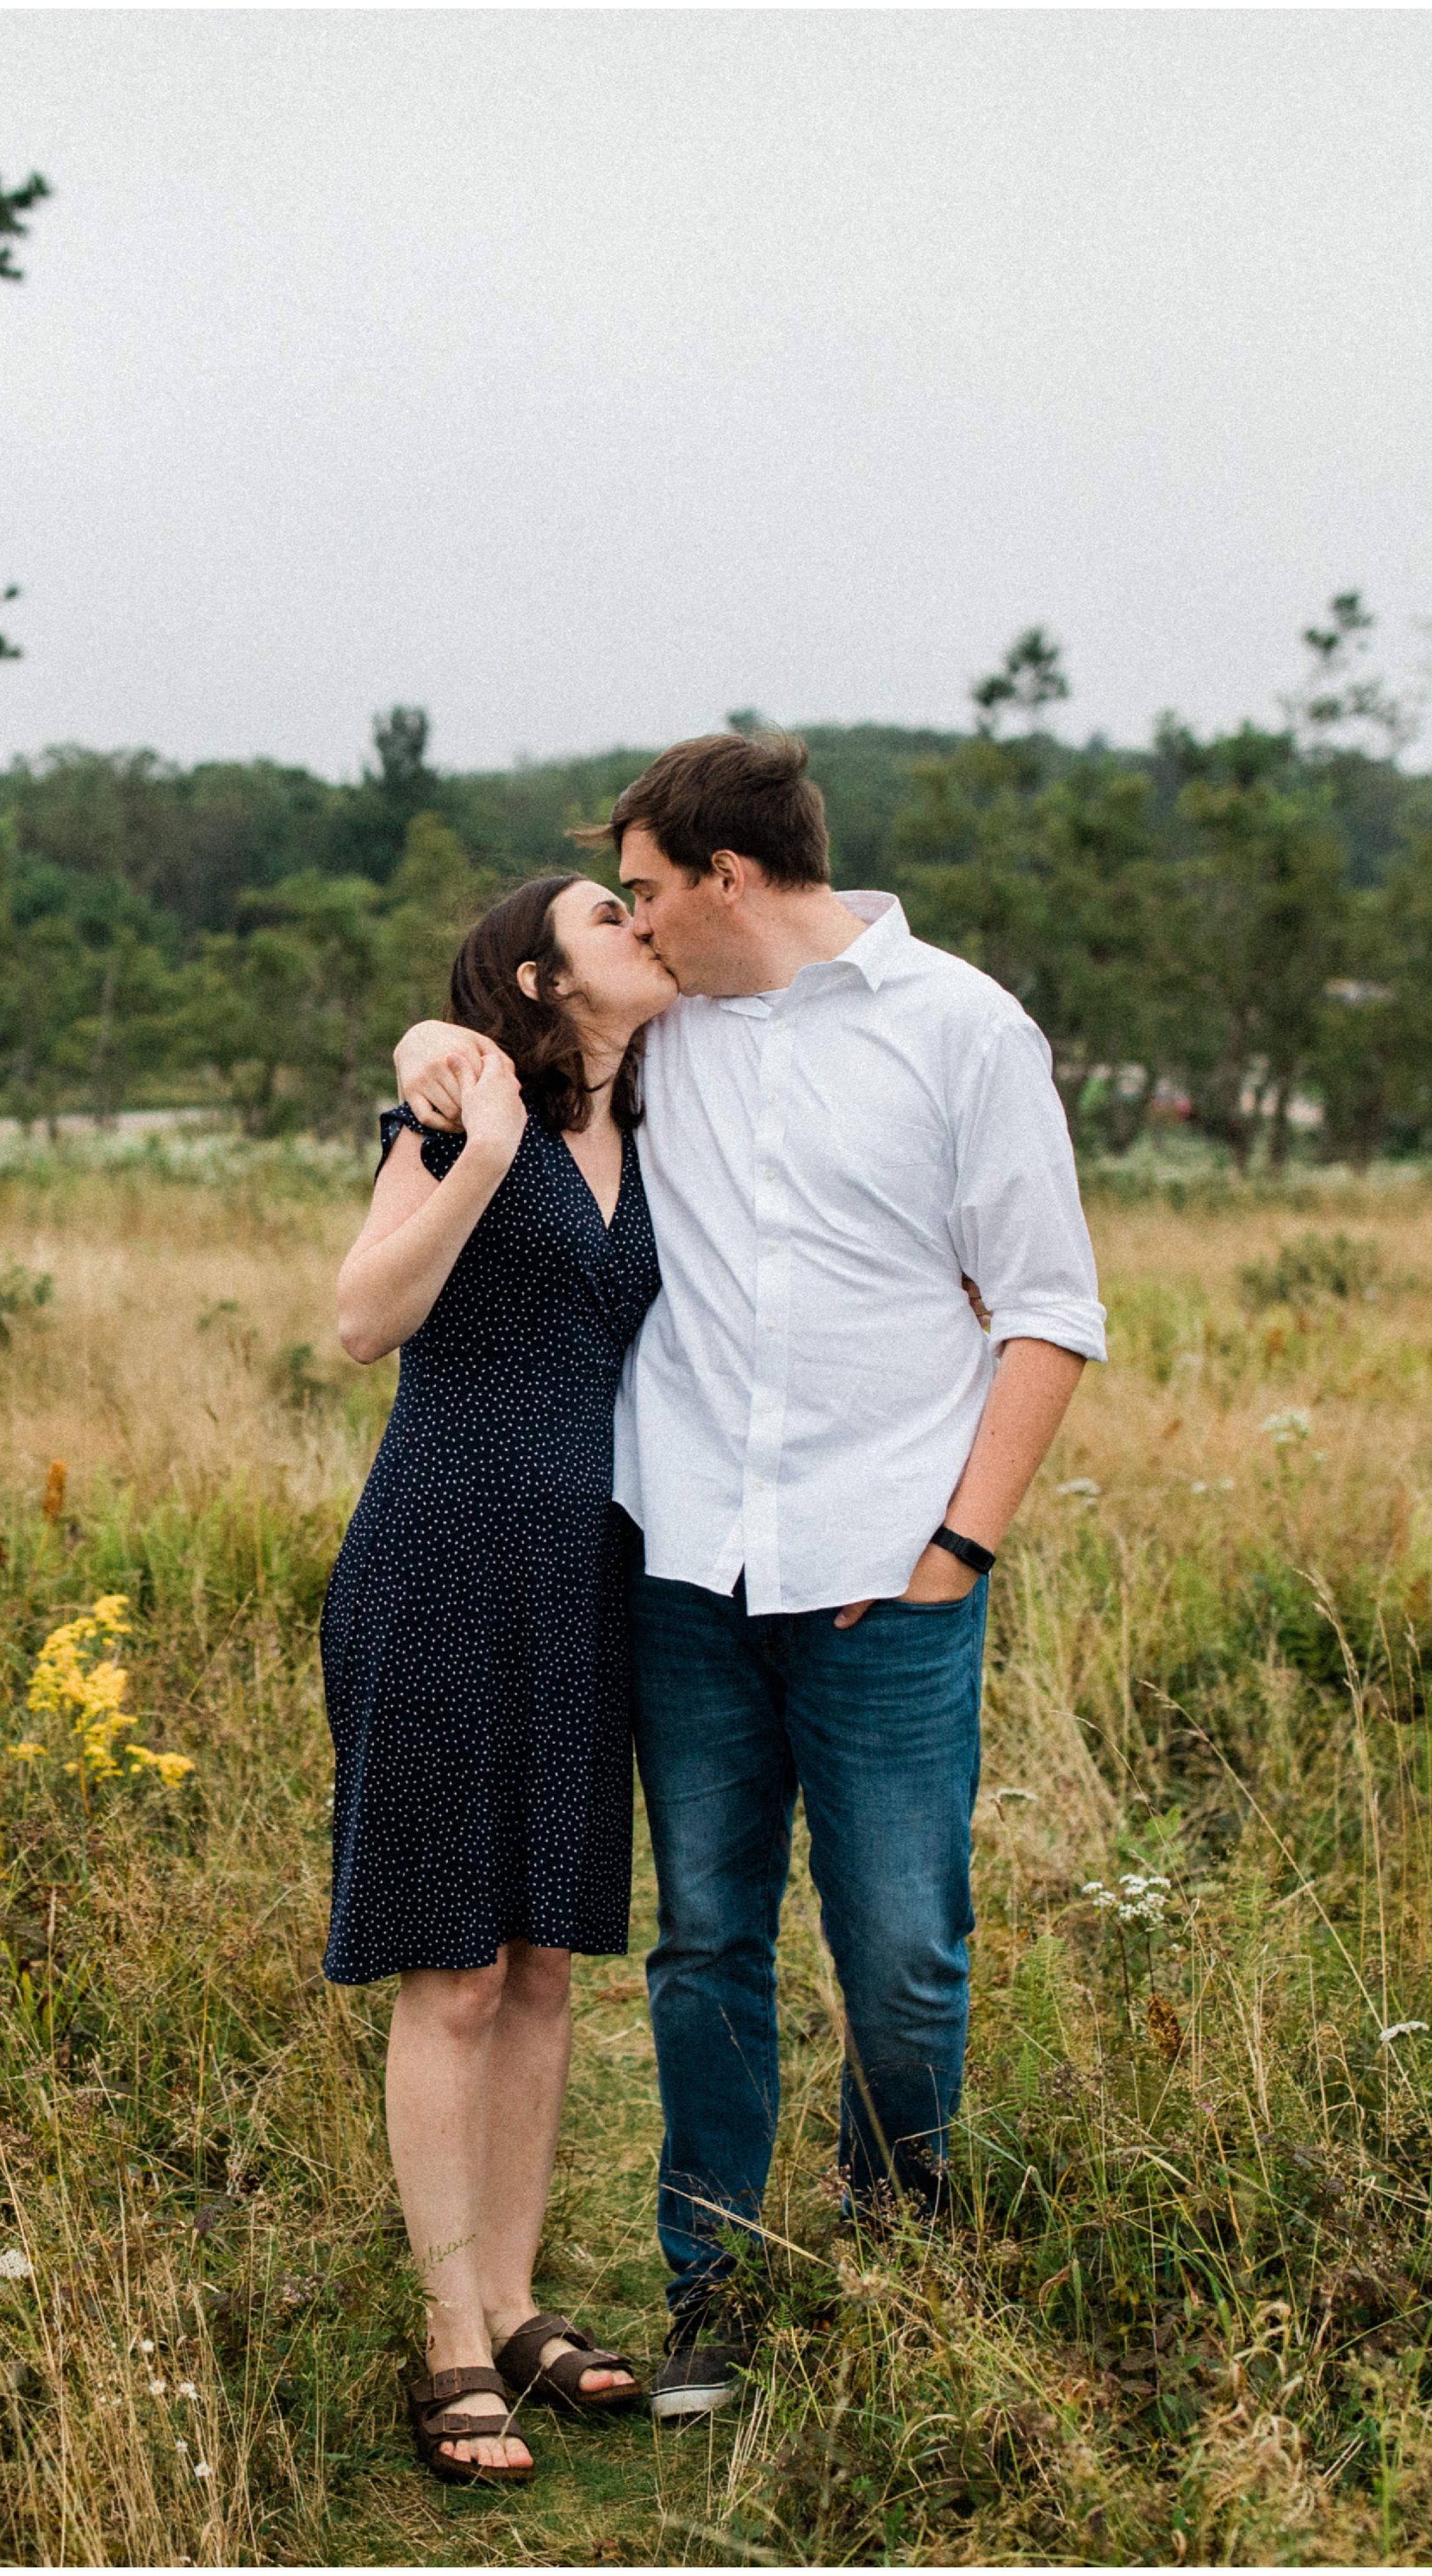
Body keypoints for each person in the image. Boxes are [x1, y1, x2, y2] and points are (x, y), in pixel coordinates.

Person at [394, 730, 1108, 2422]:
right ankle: (715, 2292)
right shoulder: (664, 1030)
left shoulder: (962, 1029)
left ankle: (892, 2271)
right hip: (687, 1572)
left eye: (647, 891)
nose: (632, 926)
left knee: (903, 1952)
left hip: (886, 1579)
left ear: (728, 879)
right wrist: (432, 1035)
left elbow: (1047, 1308)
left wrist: (955, 1553)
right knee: (708, 1945)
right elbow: (498, 1036)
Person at [323, 872, 676, 2483]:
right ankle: (451, 2334)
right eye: (617, 915)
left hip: (588, 1574)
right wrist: (481, 1158)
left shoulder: (667, 1128)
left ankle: (523, 2302)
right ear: (539, 976)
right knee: (450, 1968)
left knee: (544, 1960)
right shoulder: (454, 1108)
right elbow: (359, 1317)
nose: (646, 932)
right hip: (444, 1556)